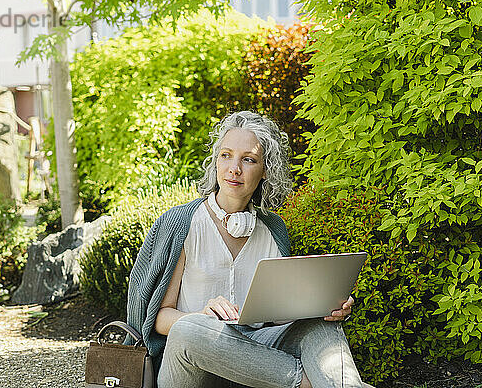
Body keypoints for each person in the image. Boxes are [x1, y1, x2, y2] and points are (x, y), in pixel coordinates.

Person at [126, 111, 372, 388]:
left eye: (248, 159)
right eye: (226, 155)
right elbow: (156, 318)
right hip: (192, 364)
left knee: (320, 326)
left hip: (255, 363)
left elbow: (279, 314)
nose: (234, 168)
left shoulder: (272, 228)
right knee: (190, 329)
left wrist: (324, 305)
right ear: (215, 161)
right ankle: (305, 383)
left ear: (265, 169)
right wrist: (203, 318)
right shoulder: (183, 223)